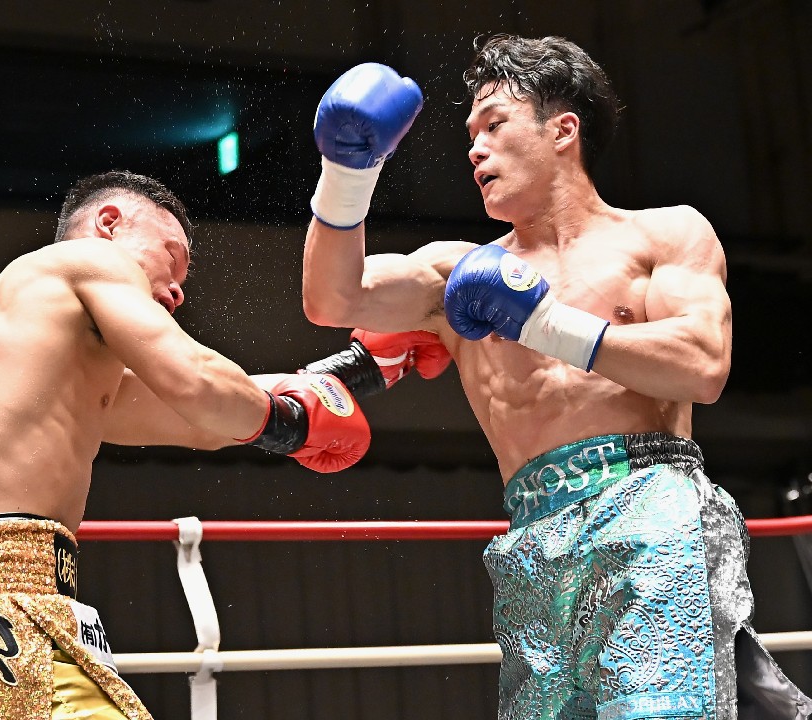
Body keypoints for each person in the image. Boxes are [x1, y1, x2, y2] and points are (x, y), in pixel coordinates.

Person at [300, 35, 811, 720]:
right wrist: (346, 173)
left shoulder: (662, 235)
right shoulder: (456, 274)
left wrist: (542, 323)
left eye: (494, 125)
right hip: (532, 536)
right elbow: (332, 299)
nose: (475, 149)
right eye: (470, 135)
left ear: (563, 129)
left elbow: (702, 365)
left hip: (649, 505)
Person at [0, 170, 373, 720]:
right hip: (2, 627)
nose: (178, 290)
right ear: (109, 224)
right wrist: (288, 424)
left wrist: (363, 371)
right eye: (171, 256)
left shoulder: (41, 351)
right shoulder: (88, 261)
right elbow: (197, 381)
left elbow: (199, 416)